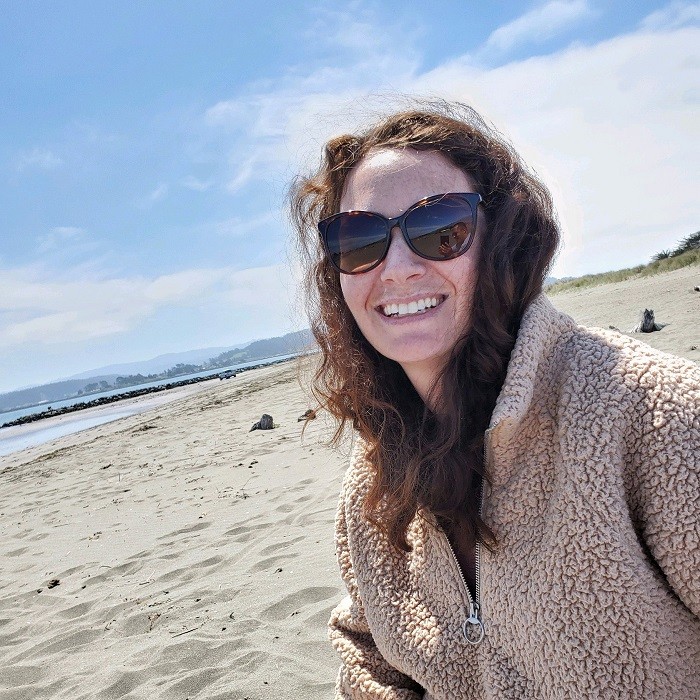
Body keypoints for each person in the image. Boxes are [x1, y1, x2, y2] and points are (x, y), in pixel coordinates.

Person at [290, 102, 699, 698]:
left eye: (440, 229)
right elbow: (367, 653)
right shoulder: (375, 471)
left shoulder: (652, 415)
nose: (398, 268)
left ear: (504, 242)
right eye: (359, 239)